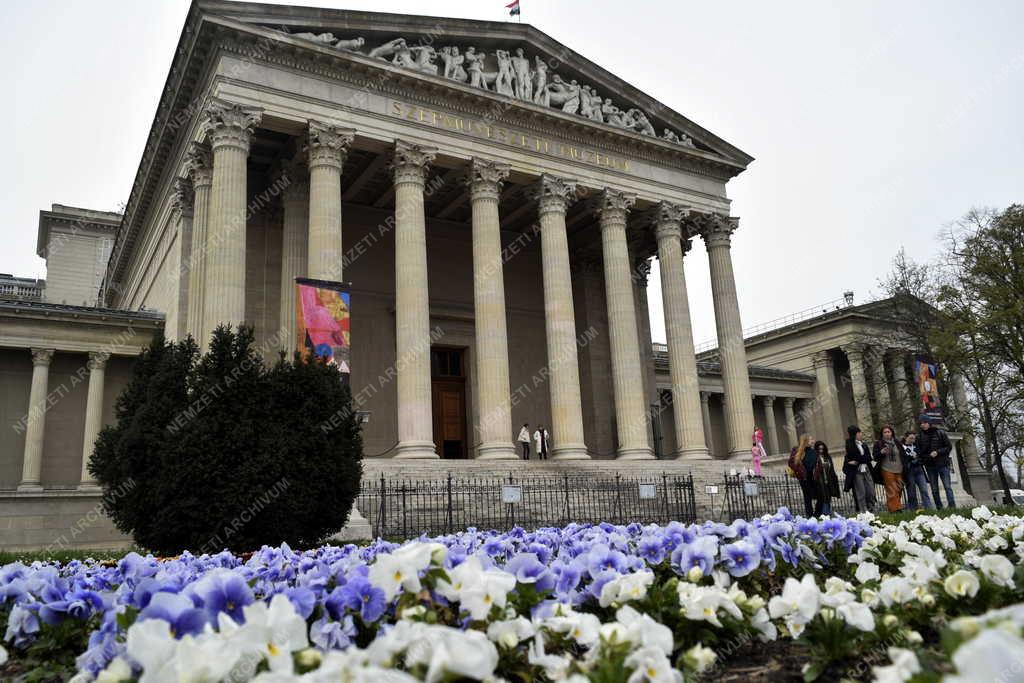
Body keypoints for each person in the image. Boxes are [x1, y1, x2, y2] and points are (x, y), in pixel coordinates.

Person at [917, 414, 955, 509]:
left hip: (943, 464)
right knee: (934, 489)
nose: (923, 425)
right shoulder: (919, 437)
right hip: (930, 466)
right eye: (921, 423)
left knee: (947, 487)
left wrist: (937, 452)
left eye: (924, 422)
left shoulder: (940, 433)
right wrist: (926, 458)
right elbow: (919, 453)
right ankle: (939, 507)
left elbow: (948, 447)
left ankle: (952, 506)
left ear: (929, 423)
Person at [788, 434, 823, 517]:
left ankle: (816, 515)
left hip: (814, 477)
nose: (813, 441)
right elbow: (791, 463)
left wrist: (818, 471)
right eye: (811, 439)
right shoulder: (797, 451)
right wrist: (799, 471)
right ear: (806, 441)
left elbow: (819, 464)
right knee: (807, 498)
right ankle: (810, 516)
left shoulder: (814, 451)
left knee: (821, 496)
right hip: (804, 478)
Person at [844, 425, 876, 513]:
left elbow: (869, 457)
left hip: (866, 469)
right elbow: (853, 456)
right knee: (861, 492)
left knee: (871, 491)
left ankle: (871, 508)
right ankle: (864, 511)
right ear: (855, 434)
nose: (860, 434)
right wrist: (861, 458)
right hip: (857, 471)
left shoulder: (863, 444)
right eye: (859, 433)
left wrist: (860, 459)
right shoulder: (849, 444)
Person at [873, 425, 904, 512]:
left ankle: (897, 506)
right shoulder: (879, 443)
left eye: (888, 432)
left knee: (899, 488)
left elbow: (902, 454)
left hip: (899, 468)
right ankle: (894, 509)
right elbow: (875, 457)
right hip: (887, 468)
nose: (887, 434)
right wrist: (881, 452)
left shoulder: (897, 442)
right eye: (885, 432)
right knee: (891, 489)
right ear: (882, 434)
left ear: (892, 433)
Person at [901, 432, 934, 510]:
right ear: (906, 438)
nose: (913, 440)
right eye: (911, 438)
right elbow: (903, 459)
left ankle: (929, 509)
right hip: (909, 471)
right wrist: (911, 458)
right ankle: (913, 509)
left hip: (919, 470)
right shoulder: (902, 448)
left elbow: (922, 457)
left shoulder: (916, 446)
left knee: (924, 490)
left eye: (914, 438)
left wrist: (918, 459)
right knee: (911, 492)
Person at [814, 441, 841, 515]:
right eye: (819, 449)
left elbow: (831, 468)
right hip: (820, 480)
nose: (821, 451)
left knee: (828, 496)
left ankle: (827, 512)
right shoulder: (816, 457)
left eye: (822, 449)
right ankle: (823, 513)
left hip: (828, 479)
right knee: (823, 497)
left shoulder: (827, 456)